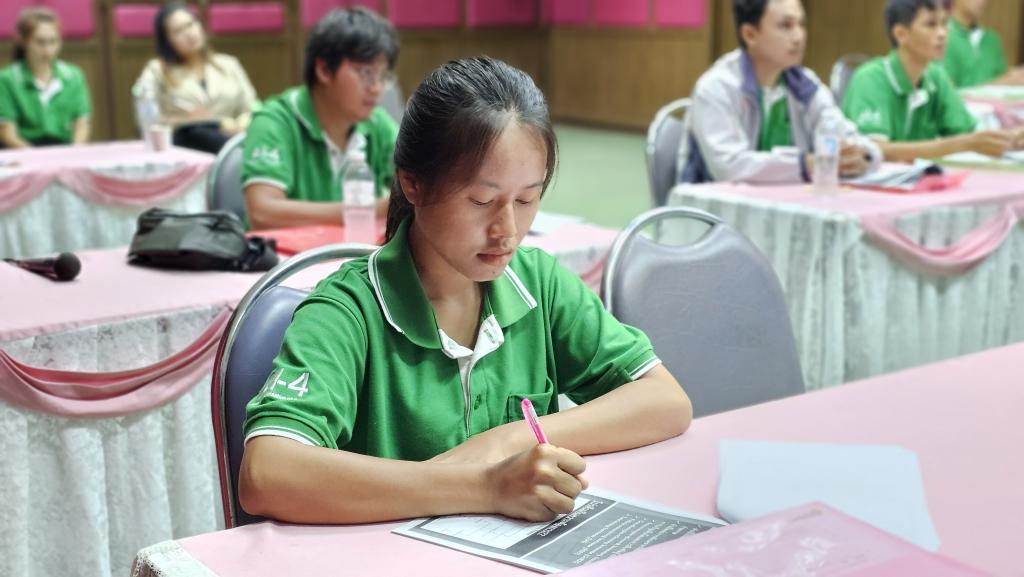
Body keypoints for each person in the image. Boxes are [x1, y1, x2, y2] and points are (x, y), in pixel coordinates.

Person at [238, 57, 693, 524]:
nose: (507, 231)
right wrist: (487, 485)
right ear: (412, 183)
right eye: (481, 200)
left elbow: (665, 400)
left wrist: (508, 439)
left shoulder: (537, 282)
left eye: (527, 199)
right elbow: (267, 473)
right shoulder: (349, 309)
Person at [677, 0, 881, 184]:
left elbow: (844, 134)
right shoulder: (717, 87)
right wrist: (805, 164)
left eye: (802, 24)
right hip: (714, 210)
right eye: (786, 26)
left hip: (785, 204)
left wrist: (862, 156)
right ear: (750, 34)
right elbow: (730, 167)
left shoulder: (804, 85)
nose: (798, 36)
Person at [241, 7, 399, 230]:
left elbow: (418, 180)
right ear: (324, 70)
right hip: (287, 252)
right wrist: (368, 210)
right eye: (365, 73)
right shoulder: (275, 121)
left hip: (353, 250)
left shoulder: (377, 122)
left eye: (383, 76)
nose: (376, 88)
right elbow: (263, 212)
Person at [842, 0, 1024, 162]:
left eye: (944, 23)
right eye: (931, 24)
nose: (942, 33)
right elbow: (873, 150)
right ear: (901, 34)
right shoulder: (870, 79)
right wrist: (962, 144)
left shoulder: (936, 77)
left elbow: (971, 133)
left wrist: (1011, 138)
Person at [135, 3, 259, 154]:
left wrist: (240, 124)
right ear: (167, 41)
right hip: (187, 145)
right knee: (195, 132)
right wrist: (186, 119)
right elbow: (147, 120)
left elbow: (252, 107)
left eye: (190, 24)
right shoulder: (156, 70)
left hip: (234, 137)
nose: (189, 33)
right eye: (178, 31)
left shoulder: (229, 64)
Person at [0, 7, 91, 148]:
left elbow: (82, 124)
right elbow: (7, 132)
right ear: (23, 41)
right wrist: (36, 157)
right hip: (25, 153)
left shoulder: (74, 76)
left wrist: (74, 153)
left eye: (53, 41)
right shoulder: (6, 80)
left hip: (65, 151)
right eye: (40, 42)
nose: (48, 50)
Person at [943, 0, 1024, 87]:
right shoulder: (942, 37)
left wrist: (1014, 77)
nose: (983, 1)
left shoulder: (991, 39)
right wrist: (998, 84)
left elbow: (1003, 80)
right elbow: (945, 92)